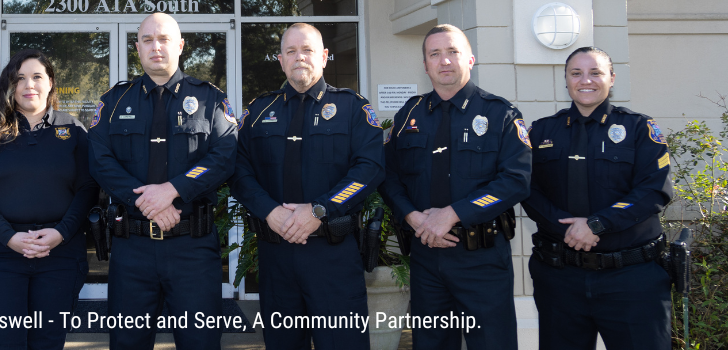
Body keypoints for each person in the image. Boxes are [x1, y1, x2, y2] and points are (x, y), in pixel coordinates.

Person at [88, 12, 237, 349]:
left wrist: (173, 190)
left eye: (164, 39)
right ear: (137, 47)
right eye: (147, 40)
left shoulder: (209, 99)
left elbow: (224, 156)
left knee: (200, 343)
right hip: (133, 248)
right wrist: (145, 201)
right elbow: (99, 159)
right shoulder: (115, 101)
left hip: (193, 250)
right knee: (127, 343)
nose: (156, 47)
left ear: (181, 45)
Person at [229, 23, 382, 349]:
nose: (300, 57)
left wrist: (319, 210)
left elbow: (368, 170)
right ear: (281, 60)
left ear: (324, 56)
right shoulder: (258, 112)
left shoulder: (352, 109)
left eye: (308, 50)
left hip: (334, 258)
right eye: (291, 51)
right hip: (276, 258)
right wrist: (269, 212)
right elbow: (239, 172)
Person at [378, 24, 530, 349]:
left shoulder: (500, 114)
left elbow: (516, 180)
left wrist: (454, 214)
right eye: (435, 54)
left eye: (452, 52)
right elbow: (388, 175)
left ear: (470, 59)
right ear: (425, 65)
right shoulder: (410, 114)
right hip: (425, 257)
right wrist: (411, 217)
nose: (444, 61)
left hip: (482, 258)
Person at [522, 46, 674, 349]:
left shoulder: (638, 128)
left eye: (595, 72)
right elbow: (528, 189)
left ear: (612, 78)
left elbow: (654, 189)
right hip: (561, 278)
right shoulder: (541, 132)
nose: (585, 80)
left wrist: (596, 224)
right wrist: (568, 228)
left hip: (631, 279)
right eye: (576, 73)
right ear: (565, 79)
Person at [0, 49, 98, 349]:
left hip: (58, 257)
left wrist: (61, 233)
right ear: (10, 86)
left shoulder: (73, 131)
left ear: (51, 83)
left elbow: (88, 188)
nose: (28, 85)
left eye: (37, 77)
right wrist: (10, 237)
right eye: (19, 78)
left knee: (47, 342)